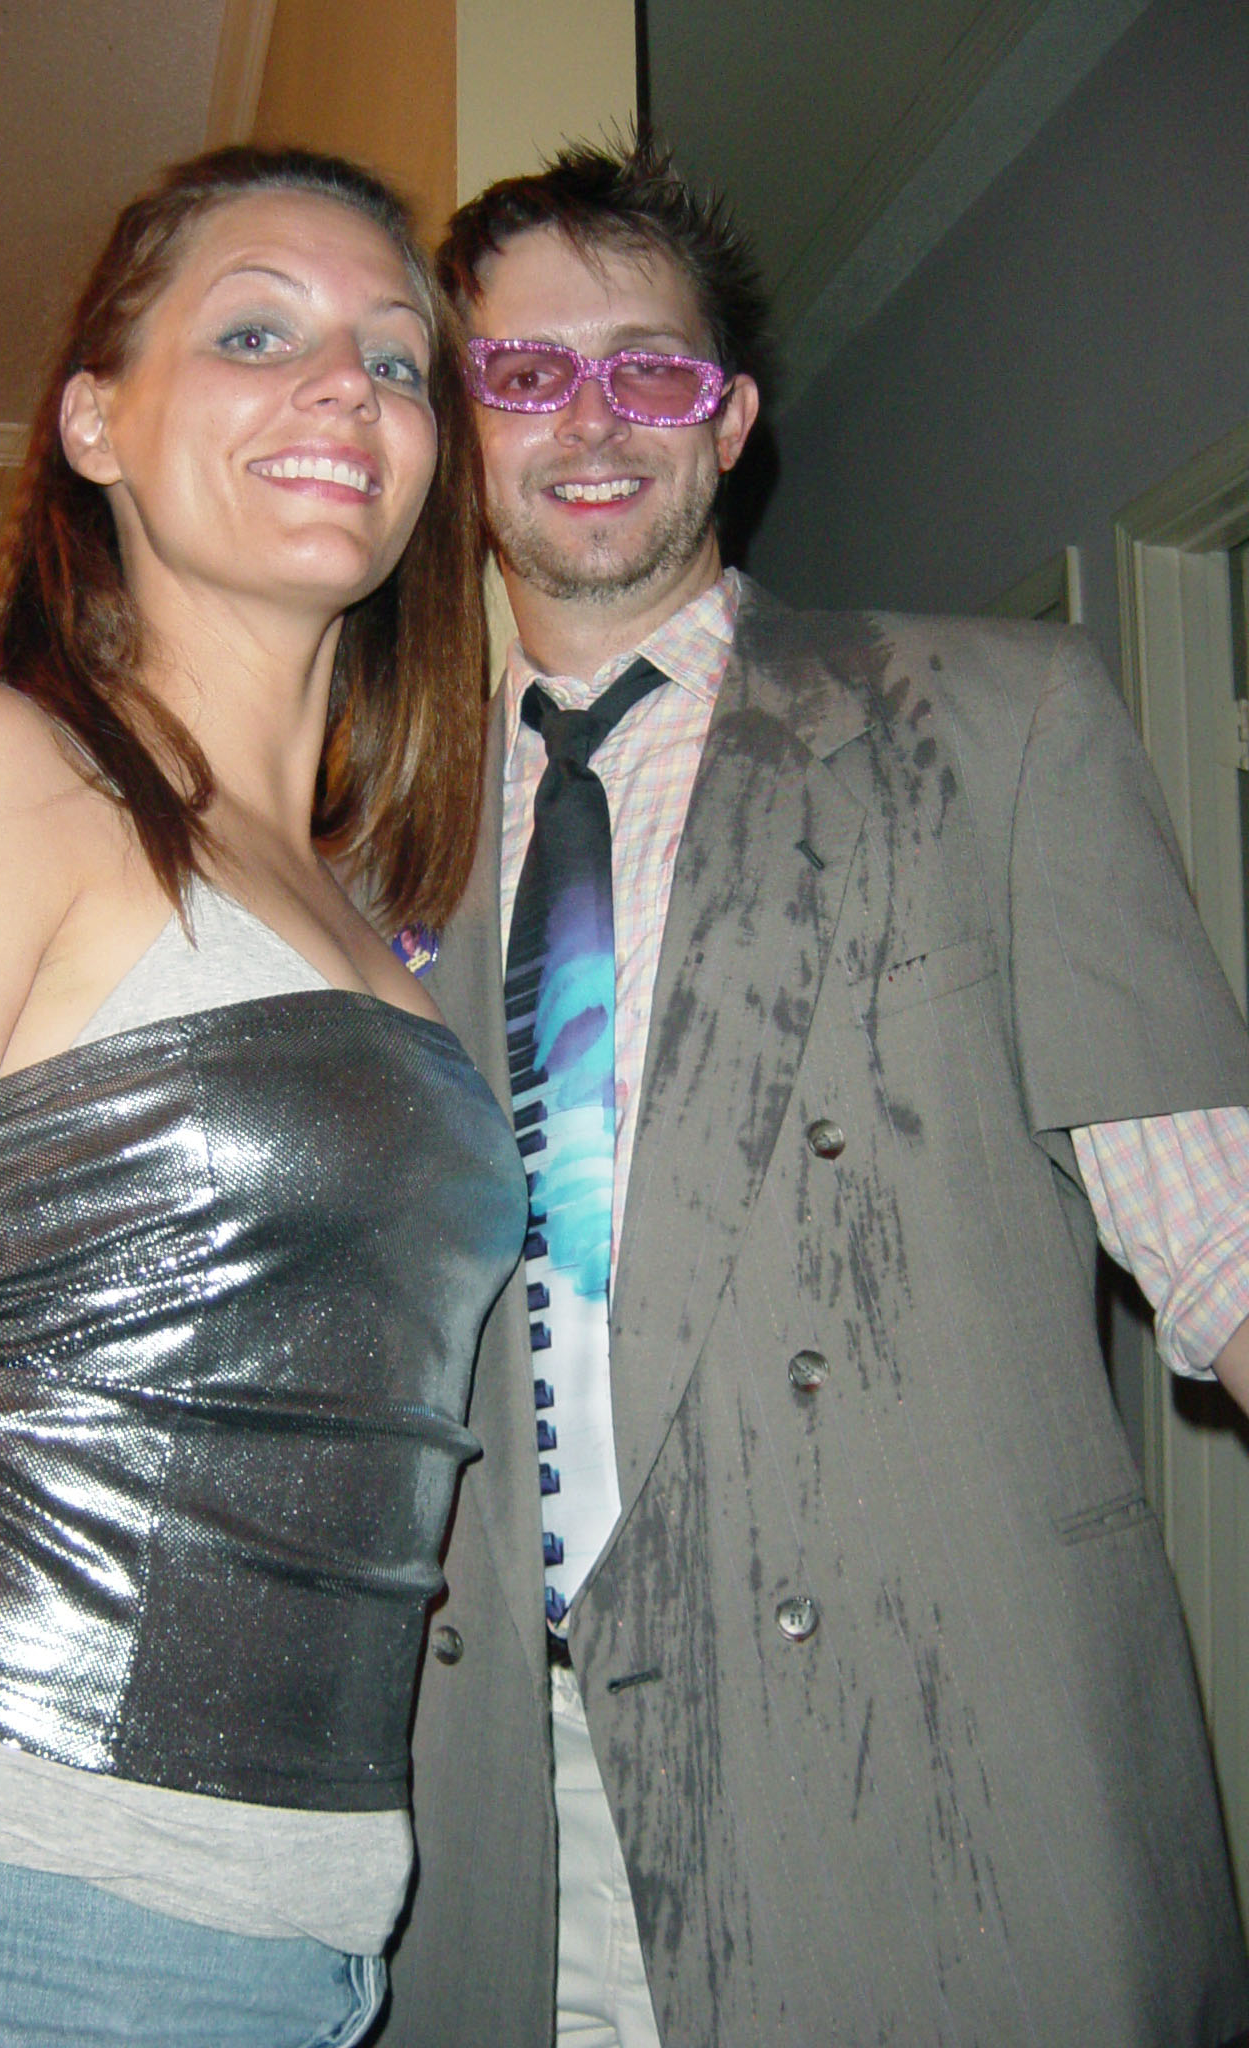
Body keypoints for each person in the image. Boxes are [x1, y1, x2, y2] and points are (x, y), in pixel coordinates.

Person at [377, 138, 1249, 2048]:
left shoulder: (999, 723)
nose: (590, 420)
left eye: (650, 370)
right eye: (524, 371)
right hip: (491, 1821)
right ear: (458, 427)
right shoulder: (359, 840)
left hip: (931, 1772)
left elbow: (1226, 1241)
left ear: (731, 419)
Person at [0, 143, 525, 2048]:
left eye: (395, 360)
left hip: (317, 1939)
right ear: (96, 421)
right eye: (255, 333)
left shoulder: (365, 911)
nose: (346, 390)